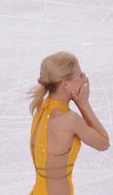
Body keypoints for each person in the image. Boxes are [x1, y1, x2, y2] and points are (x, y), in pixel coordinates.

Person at [29, 51, 109, 194]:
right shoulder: (70, 120)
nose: (84, 77)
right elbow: (103, 143)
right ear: (65, 84)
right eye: (79, 75)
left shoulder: (41, 107)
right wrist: (83, 103)